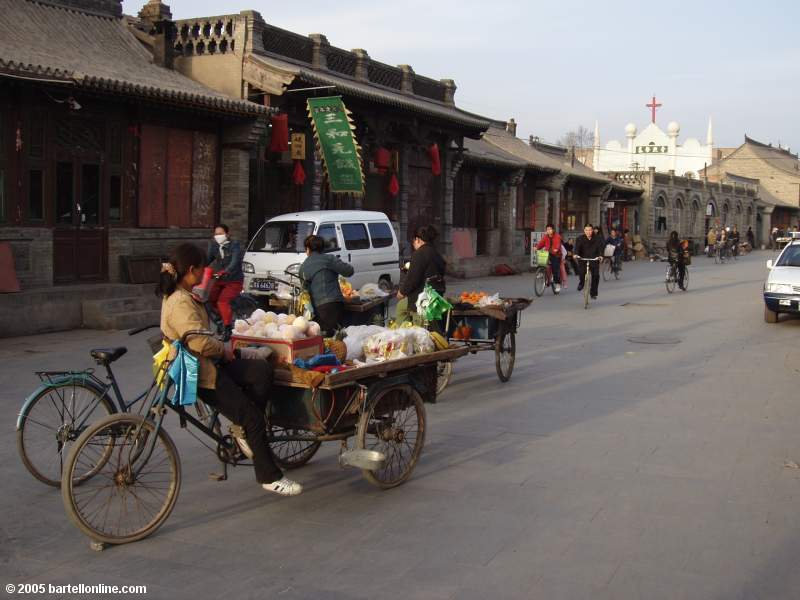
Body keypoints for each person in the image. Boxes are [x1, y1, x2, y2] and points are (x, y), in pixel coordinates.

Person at [158, 243, 302, 496]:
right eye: (201, 271)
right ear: (190, 270)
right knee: (253, 418)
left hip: (211, 361)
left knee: (261, 371)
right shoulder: (179, 302)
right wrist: (223, 349)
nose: (204, 275)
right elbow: (200, 342)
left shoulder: (184, 294)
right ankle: (269, 475)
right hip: (202, 373)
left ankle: (243, 428)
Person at [299, 234, 354, 336]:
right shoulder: (329, 259)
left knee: (325, 337)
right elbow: (349, 271)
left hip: (318, 308)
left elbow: (305, 293)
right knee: (336, 336)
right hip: (335, 304)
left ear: (308, 249)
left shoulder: (303, 267)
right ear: (322, 248)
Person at [397, 225, 446, 323]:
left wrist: (402, 292)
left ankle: (403, 332)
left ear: (418, 239)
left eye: (413, 241)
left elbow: (412, 279)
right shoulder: (436, 254)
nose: (413, 244)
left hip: (422, 300)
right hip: (435, 297)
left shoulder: (419, 253)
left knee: (400, 306)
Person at [207, 224, 244, 340]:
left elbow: (235, 261)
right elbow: (207, 260)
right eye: (216, 234)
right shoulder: (213, 246)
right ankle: (221, 321)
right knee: (210, 298)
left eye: (221, 233)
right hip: (220, 279)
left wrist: (226, 271)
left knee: (222, 301)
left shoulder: (235, 245)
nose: (218, 236)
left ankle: (227, 328)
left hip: (234, 280)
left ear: (227, 234)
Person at [573, 223, 604, 299]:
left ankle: (593, 293)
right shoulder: (580, 238)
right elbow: (577, 248)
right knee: (581, 272)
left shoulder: (598, 238)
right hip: (583, 258)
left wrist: (600, 256)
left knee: (596, 275)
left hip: (594, 259)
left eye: (590, 230)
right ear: (584, 230)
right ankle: (581, 283)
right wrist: (576, 254)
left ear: (592, 230)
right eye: (586, 230)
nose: (588, 232)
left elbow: (600, 248)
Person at [536, 224, 563, 293]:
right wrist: (537, 247)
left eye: (550, 229)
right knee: (541, 261)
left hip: (556, 255)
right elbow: (541, 243)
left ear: (553, 230)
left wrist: (556, 249)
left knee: (555, 269)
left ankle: (557, 284)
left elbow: (558, 244)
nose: (548, 231)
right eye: (547, 229)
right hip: (548, 253)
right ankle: (541, 272)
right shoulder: (545, 236)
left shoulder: (557, 236)